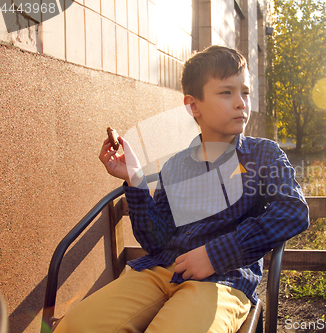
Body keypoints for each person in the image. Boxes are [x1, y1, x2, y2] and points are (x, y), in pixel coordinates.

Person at [54, 45, 309, 333]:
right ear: (193, 106)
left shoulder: (263, 154)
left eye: (245, 92)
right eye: (226, 92)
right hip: (161, 270)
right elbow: (157, 240)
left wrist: (216, 254)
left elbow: (294, 211)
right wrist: (135, 180)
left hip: (223, 280)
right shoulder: (175, 166)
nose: (241, 103)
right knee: (74, 327)